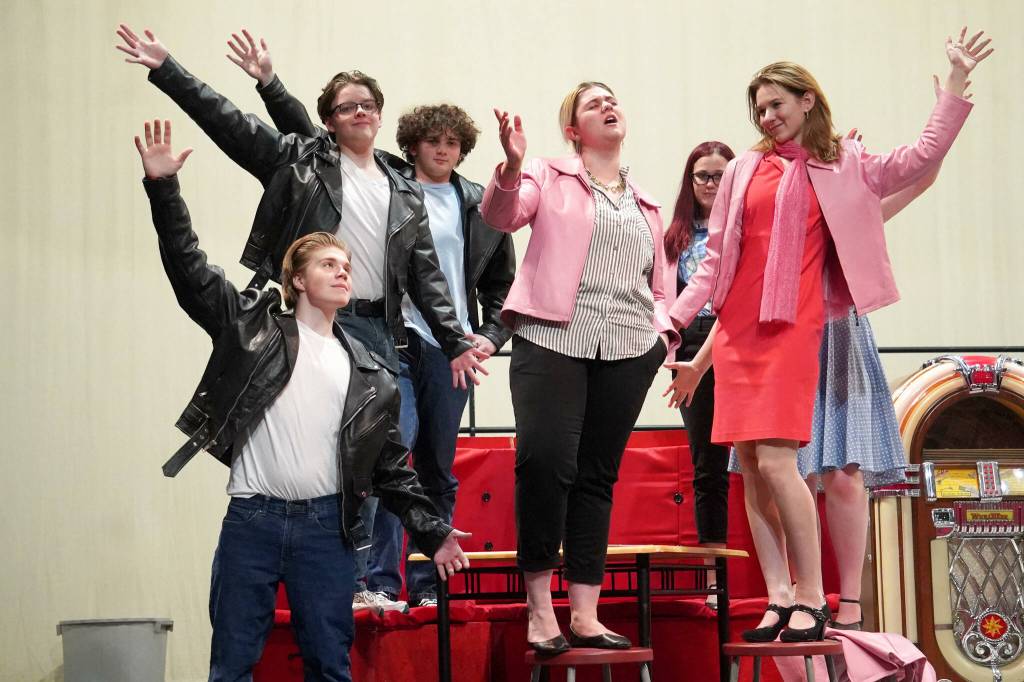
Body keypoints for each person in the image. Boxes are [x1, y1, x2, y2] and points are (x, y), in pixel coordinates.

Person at [665, 28, 990, 642]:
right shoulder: (743, 168)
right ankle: (779, 597)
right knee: (754, 467)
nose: (767, 116)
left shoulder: (844, 164)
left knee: (796, 463)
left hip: (798, 328)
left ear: (807, 100)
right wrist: (676, 321)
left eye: (777, 104)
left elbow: (920, 161)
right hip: (737, 328)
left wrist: (952, 85)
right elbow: (714, 260)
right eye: (759, 109)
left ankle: (818, 599)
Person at [134, 119, 469, 682]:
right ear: (295, 278)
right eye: (327, 265)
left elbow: (390, 468)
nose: (343, 272)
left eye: (347, 266)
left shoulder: (371, 372)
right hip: (254, 521)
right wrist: (163, 188)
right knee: (233, 665)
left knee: (329, 668)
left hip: (327, 531)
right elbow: (189, 269)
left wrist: (432, 531)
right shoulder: (252, 328)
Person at [222, 32, 516, 610]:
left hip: (445, 345)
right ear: (410, 144)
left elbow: (488, 286)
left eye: (454, 142)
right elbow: (309, 138)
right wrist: (268, 82)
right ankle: (378, 581)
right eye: (432, 140)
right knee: (386, 451)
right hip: (388, 336)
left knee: (438, 464)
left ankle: (430, 583)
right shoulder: (374, 175)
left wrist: (474, 338)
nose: (443, 149)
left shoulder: (468, 201)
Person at [115, 25, 486, 386]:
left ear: (379, 115)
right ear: (329, 122)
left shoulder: (404, 188)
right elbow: (229, 122)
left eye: (368, 106)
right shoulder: (299, 162)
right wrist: (168, 69)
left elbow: (427, 276)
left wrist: (454, 341)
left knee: (390, 442)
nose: (360, 112)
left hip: (378, 331)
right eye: (347, 108)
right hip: (320, 320)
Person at [482, 82, 679, 654]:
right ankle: (541, 610)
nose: (608, 107)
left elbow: (659, 283)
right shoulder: (546, 174)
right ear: (573, 129)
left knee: (597, 476)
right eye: (593, 104)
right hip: (552, 337)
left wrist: (661, 332)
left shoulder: (645, 201)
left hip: (626, 347)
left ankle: (586, 614)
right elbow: (499, 218)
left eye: (613, 100)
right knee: (546, 464)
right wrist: (512, 167)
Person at [662, 141, 736, 610]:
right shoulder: (675, 237)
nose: (711, 185)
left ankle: (788, 580)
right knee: (707, 466)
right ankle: (715, 580)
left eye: (720, 176)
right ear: (690, 183)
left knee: (765, 463)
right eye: (703, 176)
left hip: (738, 340)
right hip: (691, 346)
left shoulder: (744, 227)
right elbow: (663, 300)